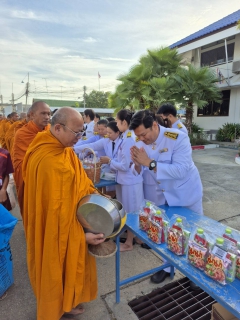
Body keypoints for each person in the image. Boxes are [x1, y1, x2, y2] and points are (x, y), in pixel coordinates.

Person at [22, 107, 105, 320]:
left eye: (82, 132)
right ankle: (58, 306)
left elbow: (81, 182)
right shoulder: (49, 160)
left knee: (65, 264)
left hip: (70, 220)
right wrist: (81, 236)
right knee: (54, 262)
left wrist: (97, 198)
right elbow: (56, 220)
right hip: (55, 230)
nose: (80, 138)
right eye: (76, 133)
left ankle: (68, 300)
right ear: (57, 128)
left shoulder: (63, 148)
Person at [130, 110, 203, 283]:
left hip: (185, 194)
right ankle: (167, 267)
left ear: (154, 125)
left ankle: (195, 274)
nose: (141, 139)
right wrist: (137, 165)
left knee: (193, 235)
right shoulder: (141, 140)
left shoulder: (177, 137)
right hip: (162, 196)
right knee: (168, 234)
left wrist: (149, 163)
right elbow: (139, 171)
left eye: (143, 134)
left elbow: (181, 170)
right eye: (138, 136)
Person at [102, 110, 143, 251]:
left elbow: (125, 166)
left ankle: (129, 243)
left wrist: (110, 161)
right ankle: (134, 237)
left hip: (130, 181)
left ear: (124, 123)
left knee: (131, 212)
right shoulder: (126, 137)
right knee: (127, 210)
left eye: (117, 121)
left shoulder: (128, 139)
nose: (116, 124)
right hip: (125, 181)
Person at [12, 101, 51, 215]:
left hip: (47, 177)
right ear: (32, 115)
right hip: (30, 178)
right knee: (33, 211)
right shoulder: (23, 133)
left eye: (48, 114)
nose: (47, 117)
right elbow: (20, 163)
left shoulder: (50, 130)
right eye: (43, 113)